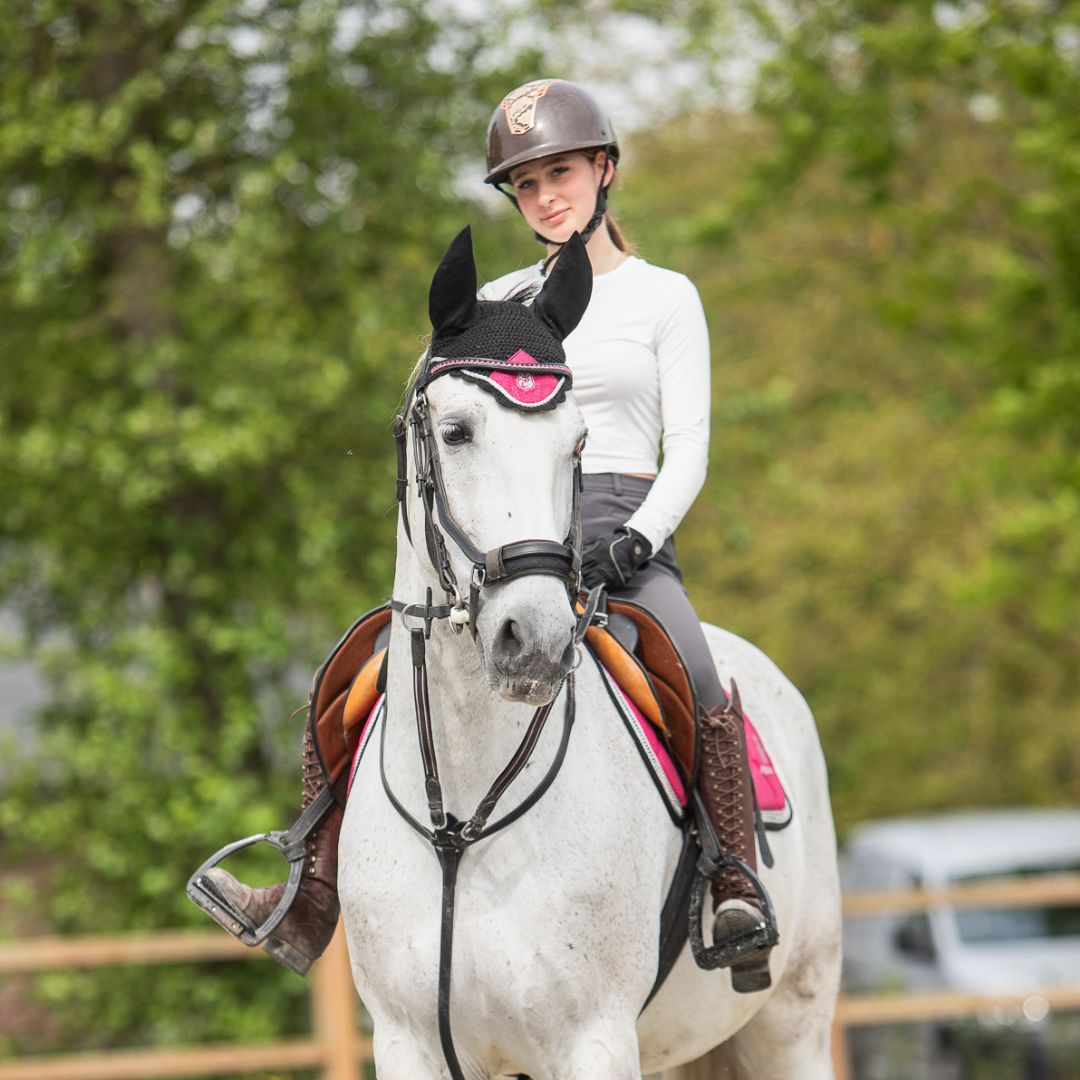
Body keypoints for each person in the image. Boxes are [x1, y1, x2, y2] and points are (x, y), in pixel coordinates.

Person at [190, 77, 774, 992]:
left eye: (563, 173)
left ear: (605, 170)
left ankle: (732, 879)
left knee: (696, 671)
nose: (547, 196)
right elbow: (432, 430)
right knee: (354, 675)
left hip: (623, 529)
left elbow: (689, 449)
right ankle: (310, 892)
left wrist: (637, 538)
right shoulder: (496, 301)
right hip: (502, 540)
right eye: (527, 184)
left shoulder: (667, 297)